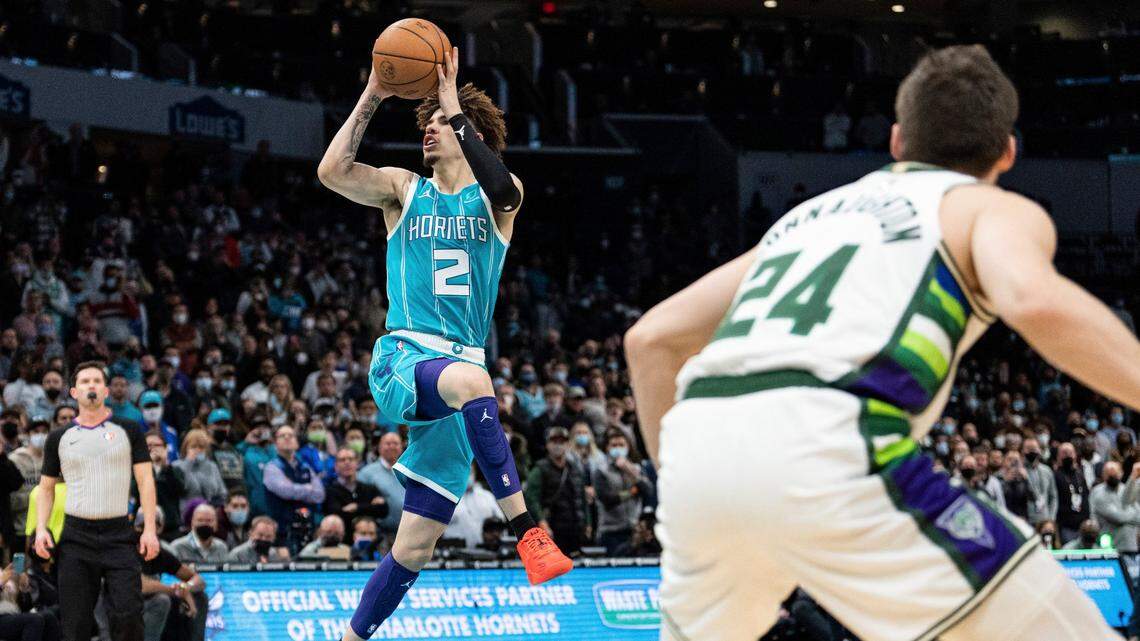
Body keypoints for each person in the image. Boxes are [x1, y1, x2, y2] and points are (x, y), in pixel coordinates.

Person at [625, 46, 1123, 641]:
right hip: (832, 442)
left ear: (895, 141)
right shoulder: (986, 207)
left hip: (700, 458)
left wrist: (705, 483)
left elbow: (651, 338)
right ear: (1008, 150)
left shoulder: (806, 218)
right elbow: (1033, 300)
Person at [317, 46, 570, 641]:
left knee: (415, 545)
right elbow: (331, 173)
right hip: (405, 357)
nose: (427, 130)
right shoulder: (405, 189)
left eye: (439, 123)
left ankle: (352, 637)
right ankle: (529, 533)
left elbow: (506, 192)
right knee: (475, 383)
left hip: (461, 374)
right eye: (426, 122)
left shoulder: (497, 199)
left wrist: (454, 109)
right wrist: (374, 94)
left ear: (469, 132)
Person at [34, 361, 159, 641]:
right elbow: (45, 488)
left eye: (97, 381)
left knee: (129, 616)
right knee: (76, 623)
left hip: (119, 534)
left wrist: (149, 529)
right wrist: (42, 528)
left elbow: (146, 481)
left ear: (105, 390)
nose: (92, 385)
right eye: (85, 381)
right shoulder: (58, 437)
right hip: (76, 537)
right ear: (74, 392)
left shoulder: (129, 429)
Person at [263, 424, 324, 554]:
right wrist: (308, 489)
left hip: (308, 528)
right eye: (282, 436)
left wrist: (295, 488)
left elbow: (319, 494)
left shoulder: (305, 467)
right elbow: (285, 491)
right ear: (275, 443)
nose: (287, 438)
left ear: (297, 442)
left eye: (290, 435)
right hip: (282, 530)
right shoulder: (271, 467)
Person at [592, 430, 651, 556]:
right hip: (611, 531)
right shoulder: (601, 471)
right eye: (614, 445)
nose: (618, 448)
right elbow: (607, 499)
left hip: (634, 530)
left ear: (628, 447)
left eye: (621, 445)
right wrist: (632, 492)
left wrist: (630, 471)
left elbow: (648, 491)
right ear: (607, 448)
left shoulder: (636, 469)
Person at [1090, 461, 1140, 578]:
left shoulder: (1126, 489)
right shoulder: (1098, 493)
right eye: (1109, 474)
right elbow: (1118, 518)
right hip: (1111, 548)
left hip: (1131, 545)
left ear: (1121, 473)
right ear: (1103, 475)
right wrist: (1131, 512)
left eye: (1115, 473)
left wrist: (1127, 513)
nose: (1113, 477)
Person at [324, 447, 387, 539]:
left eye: (351, 459)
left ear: (357, 463)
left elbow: (383, 510)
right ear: (336, 466)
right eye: (342, 460)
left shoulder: (369, 488)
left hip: (371, 543)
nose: (347, 462)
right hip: (343, 543)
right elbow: (337, 514)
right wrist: (370, 506)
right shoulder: (330, 491)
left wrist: (357, 507)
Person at [357, 432, 406, 535]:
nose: (392, 446)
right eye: (388, 443)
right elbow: (360, 503)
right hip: (379, 533)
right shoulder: (366, 473)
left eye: (395, 443)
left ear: (401, 447)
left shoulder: (408, 472)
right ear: (379, 447)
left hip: (407, 532)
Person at [444, 468, 504, 550]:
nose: (467, 475)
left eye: (470, 472)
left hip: (485, 552)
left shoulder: (487, 496)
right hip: (453, 553)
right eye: (464, 471)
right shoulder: (446, 497)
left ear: (475, 473)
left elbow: (501, 522)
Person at [172, 429, 227, 514]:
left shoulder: (212, 466)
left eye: (201, 447)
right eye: (193, 447)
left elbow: (222, 492)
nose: (197, 450)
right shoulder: (176, 466)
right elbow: (180, 489)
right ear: (186, 448)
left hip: (209, 512)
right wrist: (188, 463)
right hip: (185, 512)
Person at [144, 431, 185, 541]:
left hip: (171, 529)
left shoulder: (175, 470)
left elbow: (180, 490)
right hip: (145, 528)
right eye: (148, 446)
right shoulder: (137, 471)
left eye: (157, 445)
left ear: (166, 448)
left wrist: (165, 466)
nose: (152, 449)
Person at [1054, 442, 1090, 545]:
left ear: (1075, 455)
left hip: (1083, 525)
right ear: (1058, 456)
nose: (1068, 455)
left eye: (1070, 452)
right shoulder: (1056, 476)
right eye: (1064, 453)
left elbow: (1086, 497)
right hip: (1066, 525)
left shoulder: (1080, 475)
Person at [138, 390, 178, 464]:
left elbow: (175, 458)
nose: (152, 410)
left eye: (155, 405)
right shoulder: (135, 432)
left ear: (162, 407)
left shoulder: (171, 432)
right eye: (148, 406)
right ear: (141, 409)